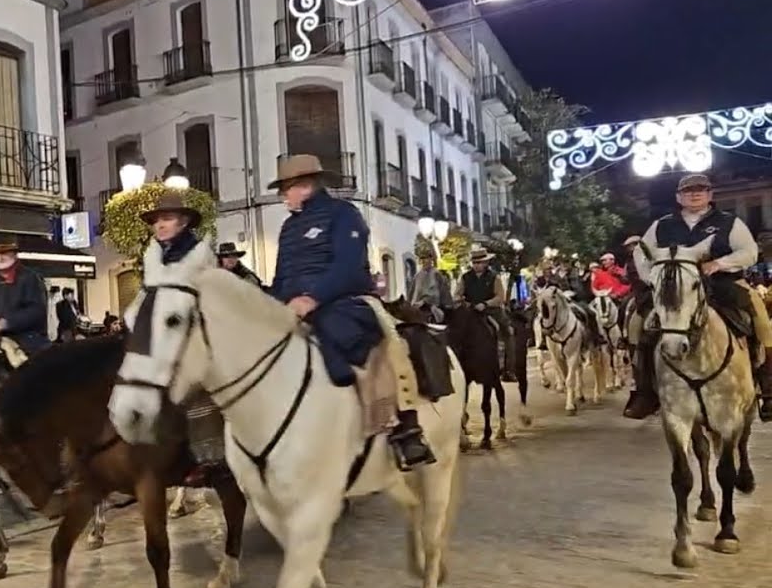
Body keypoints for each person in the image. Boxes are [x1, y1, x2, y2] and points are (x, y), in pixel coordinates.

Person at [267, 154, 436, 470]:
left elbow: (347, 268)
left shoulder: (344, 214)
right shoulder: (288, 228)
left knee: (370, 346)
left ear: (304, 186)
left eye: (285, 190)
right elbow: (281, 279)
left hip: (344, 302)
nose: (282, 198)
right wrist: (269, 303)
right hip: (293, 309)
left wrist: (312, 299)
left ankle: (404, 427)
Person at [627, 173, 772, 420]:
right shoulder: (662, 225)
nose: (694, 194)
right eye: (688, 191)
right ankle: (644, 391)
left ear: (710, 195)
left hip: (721, 282)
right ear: (678, 197)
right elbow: (642, 253)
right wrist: (652, 278)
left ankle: (768, 386)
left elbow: (749, 252)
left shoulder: (729, 222)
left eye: (700, 190)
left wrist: (720, 263)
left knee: (760, 317)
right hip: (674, 289)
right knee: (636, 323)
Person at [139, 191, 228, 487]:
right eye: (156, 221)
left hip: (195, 331)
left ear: (183, 221)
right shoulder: (154, 255)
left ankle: (210, 457)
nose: (160, 225)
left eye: (167, 219)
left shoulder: (199, 255)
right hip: (160, 334)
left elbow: (211, 296)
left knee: (195, 387)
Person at [453, 247, 518, 382]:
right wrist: (461, 300)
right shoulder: (465, 277)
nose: (477, 265)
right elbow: (457, 294)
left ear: (486, 263)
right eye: (474, 263)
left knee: (507, 333)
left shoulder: (494, 277)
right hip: (471, 310)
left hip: (491, 310)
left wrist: (486, 304)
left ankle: (509, 369)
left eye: (480, 262)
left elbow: (500, 297)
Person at [0, 236, 50, 357]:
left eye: (5, 253)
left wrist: (7, 322)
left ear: (15, 254)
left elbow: (36, 311)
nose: (0, 257)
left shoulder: (29, 278)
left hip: (27, 342)